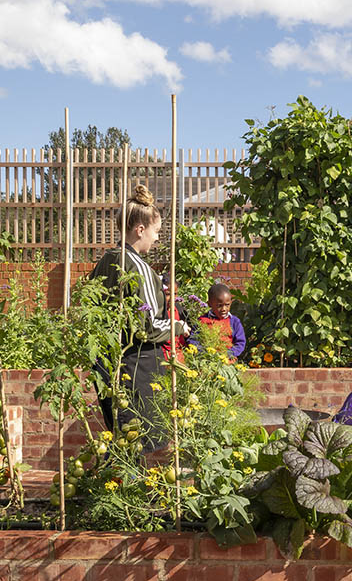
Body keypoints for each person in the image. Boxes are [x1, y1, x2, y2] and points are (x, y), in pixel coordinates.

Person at [89, 184, 188, 447]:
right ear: (140, 230)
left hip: (106, 365)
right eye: (156, 232)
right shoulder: (138, 268)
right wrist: (178, 326)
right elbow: (147, 327)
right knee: (143, 441)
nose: (157, 238)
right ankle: (132, 487)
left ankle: (116, 487)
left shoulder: (104, 261)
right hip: (136, 364)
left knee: (121, 439)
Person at [197, 282, 247, 360]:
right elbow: (194, 340)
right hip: (207, 360)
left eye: (227, 305)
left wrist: (230, 353)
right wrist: (204, 353)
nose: (224, 309)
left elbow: (240, 343)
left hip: (228, 359)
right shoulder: (202, 321)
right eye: (219, 305)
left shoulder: (234, 322)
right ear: (209, 304)